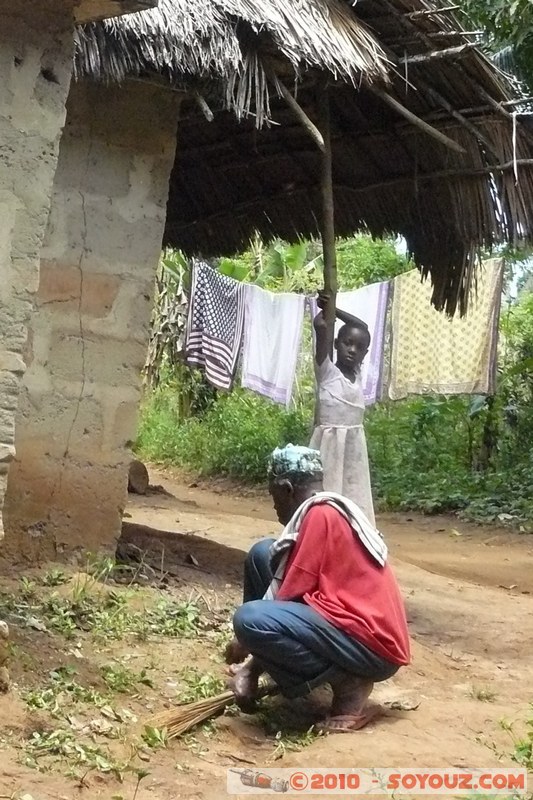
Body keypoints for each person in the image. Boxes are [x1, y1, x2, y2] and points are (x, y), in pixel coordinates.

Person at [225, 444, 410, 733]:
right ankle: (278, 667)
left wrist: (245, 643)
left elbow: (290, 594)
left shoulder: (320, 516)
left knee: (249, 621)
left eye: (273, 496)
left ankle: (349, 684)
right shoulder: (326, 509)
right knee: (262, 554)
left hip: (372, 646)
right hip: (350, 627)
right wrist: (252, 666)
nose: (274, 506)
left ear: (286, 489)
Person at [310, 291, 375, 525]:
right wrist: (325, 316)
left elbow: (362, 327)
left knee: (354, 496)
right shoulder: (327, 372)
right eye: (347, 343)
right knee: (326, 494)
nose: (352, 350)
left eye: (359, 347)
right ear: (336, 344)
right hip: (329, 448)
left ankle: (353, 535)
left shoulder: (356, 373)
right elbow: (321, 326)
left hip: (354, 450)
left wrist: (335, 310)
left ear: (364, 354)